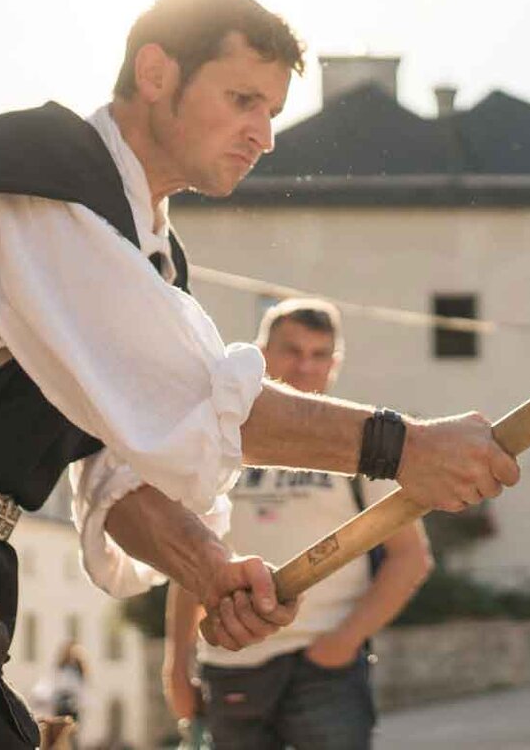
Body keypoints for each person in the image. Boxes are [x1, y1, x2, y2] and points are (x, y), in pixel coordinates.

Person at [0, 0, 515, 747]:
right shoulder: (39, 177)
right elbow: (203, 397)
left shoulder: (153, 263)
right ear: (155, 73)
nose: (263, 135)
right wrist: (405, 446)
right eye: (243, 99)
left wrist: (212, 571)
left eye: (272, 111)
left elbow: (123, 482)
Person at [161, 300, 434, 749]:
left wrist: (343, 642)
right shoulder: (222, 439)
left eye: (319, 354)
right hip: (231, 661)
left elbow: (410, 558)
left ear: (335, 363)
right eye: (292, 350)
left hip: (324, 668)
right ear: (262, 353)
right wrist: (176, 666)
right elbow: (193, 560)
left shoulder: (362, 447)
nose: (306, 365)